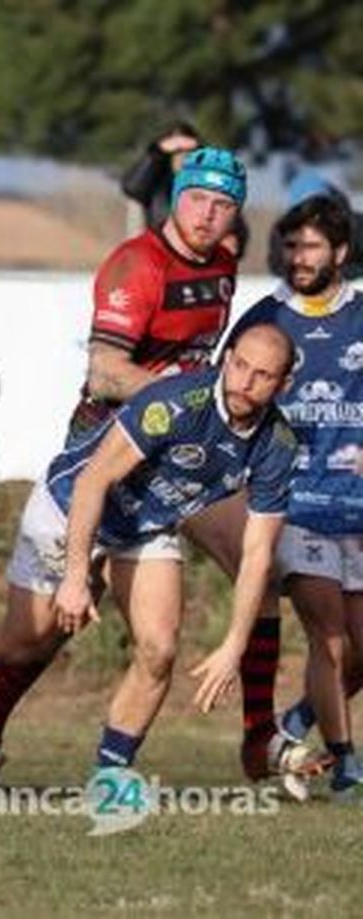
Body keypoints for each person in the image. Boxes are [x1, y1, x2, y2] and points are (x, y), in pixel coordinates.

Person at [0, 147, 296, 786]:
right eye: (197, 199)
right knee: (48, 626)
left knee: (261, 563)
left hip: (183, 450)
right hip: (116, 442)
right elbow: (104, 371)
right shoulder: (139, 264)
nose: (207, 215)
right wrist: (186, 407)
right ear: (175, 196)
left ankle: (257, 735)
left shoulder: (220, 266)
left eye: (223, 206)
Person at [0, 325, 299, 781]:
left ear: (284, 384)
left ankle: (109, 779)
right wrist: (76, 577)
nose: (244, 382)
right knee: (23, 641)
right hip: (69, 506)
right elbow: (94, 480)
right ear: (226, 358)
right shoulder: (174, 403)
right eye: (239, 365)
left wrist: (234, 646)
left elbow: (256, 554)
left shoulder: (278, 444)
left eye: (263, 375)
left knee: (159, 648)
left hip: (143, 528)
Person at [225, 195, 363, 798]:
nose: (297, 257)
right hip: (293, 504)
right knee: (329, 635)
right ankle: (347, 764)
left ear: (340, 252)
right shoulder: (264, 318)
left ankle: (292, 723)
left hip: (355, 506)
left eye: (309, 247)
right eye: (290, 245)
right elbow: (230, 400)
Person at [120, 122, 201, 229]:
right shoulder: (156, 181)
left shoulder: (203, 181)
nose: (183, 156)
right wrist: (157, 153)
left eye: (188, 152)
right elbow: (132, 188)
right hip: (159, 241)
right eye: (177, 151)